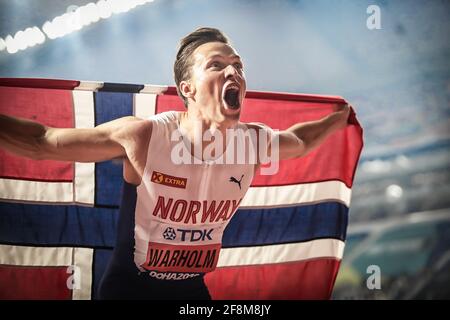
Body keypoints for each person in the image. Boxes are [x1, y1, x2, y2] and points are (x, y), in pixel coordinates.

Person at [0, 27, 350, 299]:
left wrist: (339, 118)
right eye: (216, 65)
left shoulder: (254, 143)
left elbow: (302, 140)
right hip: (130, 292)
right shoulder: (144, 137)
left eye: (238, 66)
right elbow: (42, 141)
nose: (234, 71)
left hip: (190, 292)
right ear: (188, 88)